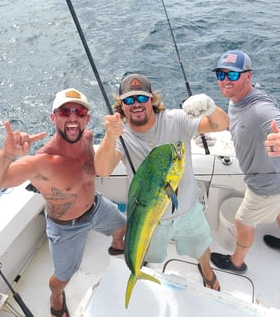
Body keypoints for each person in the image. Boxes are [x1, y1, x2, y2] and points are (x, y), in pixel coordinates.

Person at [0, 88, 126, 317]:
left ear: (87, 118)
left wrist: (113, 134)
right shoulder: (41, 162)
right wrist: (7, 154)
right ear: (53, 117)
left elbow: (103, 168)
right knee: (62, 278)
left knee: (122, 226)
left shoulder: (87, 137)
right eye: (65, 111)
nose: (73, 116)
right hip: (66, 228)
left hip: (96, 207)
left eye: (80, 111)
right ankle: (56, 298)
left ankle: (118, 247)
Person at [95, 73, 229, 291]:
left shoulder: (176, 119)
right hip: (149, 218)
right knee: (147, 253)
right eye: (128, 100)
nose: (136, 104)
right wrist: (110, 137)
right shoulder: (121, 135)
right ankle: (141, 268)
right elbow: (101, 170)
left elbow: (220, 125)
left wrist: (211, 107)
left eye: (141, 98)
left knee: (202, 247)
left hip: (187, 209)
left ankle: (206, 270)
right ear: (122, 106)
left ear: (152, 99)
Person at [210, 50, 280, 273]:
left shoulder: (260, 110)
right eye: (221, 74)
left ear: (248, 76)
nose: (226, 81)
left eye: (233, 75)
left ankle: (236, 262)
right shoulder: (240, 97)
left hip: (265, 184)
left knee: (242, 222)